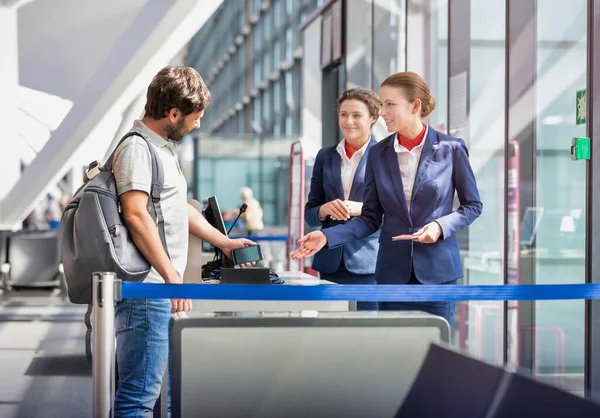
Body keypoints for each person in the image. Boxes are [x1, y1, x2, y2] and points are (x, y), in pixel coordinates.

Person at [112, 66, 256, 416]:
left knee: (160, 388)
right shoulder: (137, 149)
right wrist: (171, 280)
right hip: (147, 289)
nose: (198, 124)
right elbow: (135, 214)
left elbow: (177, 210)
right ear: (173, 113)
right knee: (139, 393)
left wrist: (223, 242)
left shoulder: (160, 149)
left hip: (158, 287)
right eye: (196, 117)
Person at [292, 71, 482, 325]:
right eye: (382, 105)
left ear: (415, 105)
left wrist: (440, 226)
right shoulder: (379, 153)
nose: (382, 112)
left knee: (434, 350)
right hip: (391, 273)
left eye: (390, 104)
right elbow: (370, 217)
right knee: (392, 354)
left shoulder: (451, 149)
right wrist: (326, 236)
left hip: (438, 272)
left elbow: (472, 206)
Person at [304, 88, 381, 310]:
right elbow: (311, 214)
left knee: (366, 334)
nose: (348, 121)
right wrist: (324, 209)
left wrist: (362, 208)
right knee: (330, 333)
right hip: (329, 262)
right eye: (343, 114)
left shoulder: (385, 156)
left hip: (368, 262)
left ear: (372, 118)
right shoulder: (325, 156)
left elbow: (394, 212)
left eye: (357, 115)